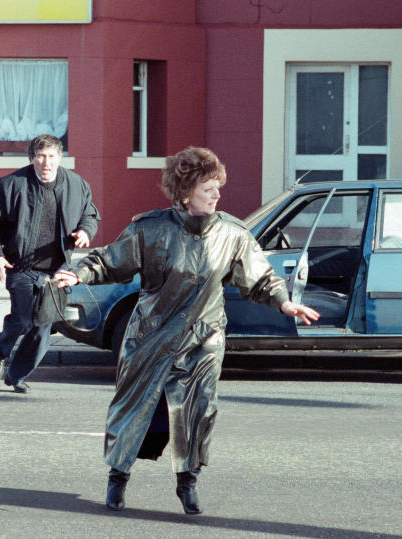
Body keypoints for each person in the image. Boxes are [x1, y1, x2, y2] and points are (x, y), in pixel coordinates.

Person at [53, 147, 319, 514]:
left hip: (203, 339)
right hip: (150, 335)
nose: (217, 194)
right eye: (209, 187)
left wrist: (284, 302)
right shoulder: (150, 229)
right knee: (134, 410)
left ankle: (188, 484)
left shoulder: (232, 233)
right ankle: (117, 478)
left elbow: (261, 278)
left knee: (197, 413)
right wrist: (78, 273)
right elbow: (108, 261)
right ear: (185, 191)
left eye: (218, 187)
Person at [0, 134, 99, 393]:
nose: (46, 162)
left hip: (57, 271)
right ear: (32, 158)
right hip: (20, 267)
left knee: (43, 327)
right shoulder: (12, 184)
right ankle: (2, 351)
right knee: (23, 321)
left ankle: (16, 375)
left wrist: (86, 231)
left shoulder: (77, 185)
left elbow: (90, 213)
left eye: (52, 156)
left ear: (60, 158)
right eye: (41, 156)